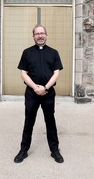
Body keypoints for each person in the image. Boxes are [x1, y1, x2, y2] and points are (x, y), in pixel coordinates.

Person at [14, 24, 64, 164]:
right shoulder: (27, 52)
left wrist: (46, 87)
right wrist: (35, 87)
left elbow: (56, 72)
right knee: (29, 121)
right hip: (31, 93)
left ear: (46, 35)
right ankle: (23, 150)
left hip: (48, 93)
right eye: (37, 33)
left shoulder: (54, 53)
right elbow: (23, 73)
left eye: (42, 33)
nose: (40, 35)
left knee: (50, 122)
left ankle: (54, 150)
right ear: (33, 36)